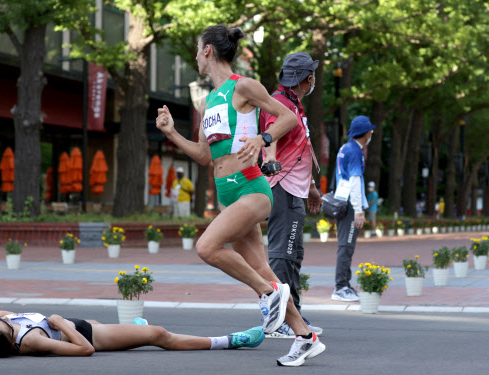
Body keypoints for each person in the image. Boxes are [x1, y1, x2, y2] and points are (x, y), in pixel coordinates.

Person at [156, 25, 324, 367]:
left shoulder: (242, 86)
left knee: (206, 247)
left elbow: (288, 117)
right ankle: (305, 336)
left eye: (196, 50)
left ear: (207, 51)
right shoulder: (207, 101)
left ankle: (268, 294)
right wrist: (171, 132)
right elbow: (205, 156)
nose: (194, 57)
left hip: (251, 187)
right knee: (261, 266)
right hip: (227, 193)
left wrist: (262, 139)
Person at [259, 52, 323, 338]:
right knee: (282, 255)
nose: (314, 80)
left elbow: (299, 150)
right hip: (281, 186)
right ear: (307, 78)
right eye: (313, 75)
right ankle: (280, 319)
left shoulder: (294, 105)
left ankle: (294, 314)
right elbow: (269, 139)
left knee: (293, 255)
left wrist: (310, 187)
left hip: (295, 188)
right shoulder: (279, 104)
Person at [0, 311, 265, 357]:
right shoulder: (31, 340)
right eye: (3, 325)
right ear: (10, 340)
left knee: (140, 332)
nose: (2, 317)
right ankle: (229, 341)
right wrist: (61, 323)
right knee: (160, 335)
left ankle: (135, 333)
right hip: (90, 335)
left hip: (83, 323)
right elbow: (85, 350)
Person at [331, 115, 376, 302]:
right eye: (370, 131)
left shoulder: (344, 148)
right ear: (365, 133)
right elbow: (355, 181)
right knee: (346, 246)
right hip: (349, 204)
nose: (372, 133)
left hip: (341, 200)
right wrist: (359, 210)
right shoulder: (356, 152)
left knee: (345, 245)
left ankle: (344, 284)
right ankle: (340, 287)